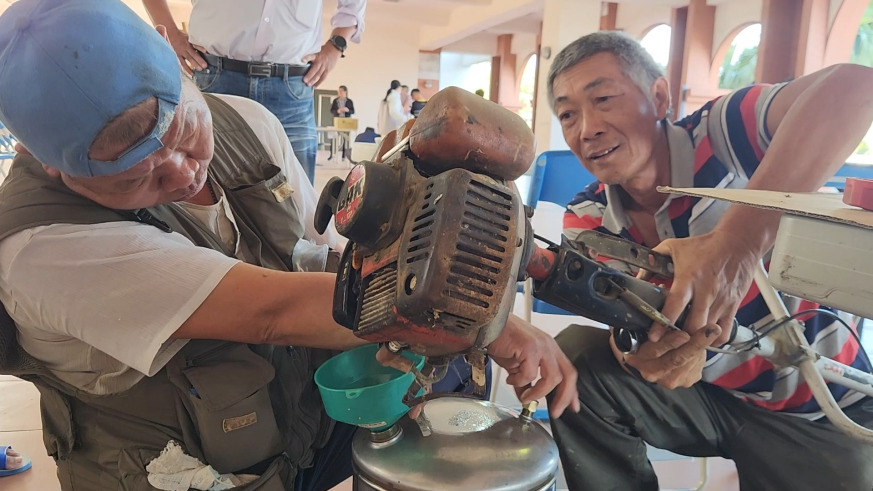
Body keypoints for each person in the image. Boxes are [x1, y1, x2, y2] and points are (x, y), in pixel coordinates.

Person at [0, 2, 579, 490]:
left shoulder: (246, 122)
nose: (182, 173)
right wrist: (483, 323)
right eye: (136, 176)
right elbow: (275, 310)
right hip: (190, 469)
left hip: (295, 425)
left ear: (181, 65)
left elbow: (327, 257)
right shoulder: (43, 248)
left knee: (452, 384)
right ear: (44, 163)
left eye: (185, 131)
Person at [543, 31, 873, 491]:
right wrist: (644, 356)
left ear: (659, 97)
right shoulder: (587, 217)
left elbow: (855, 87)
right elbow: (624, 328)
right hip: (708, 398)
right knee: (579, 357)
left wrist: (735, 243)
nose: (586, 129)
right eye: (567, 114)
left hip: (819, 405)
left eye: (603, 99)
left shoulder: (722, 133)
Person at [141, 0, 366, 185]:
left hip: (293, 89)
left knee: (297, 198)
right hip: (216, 79)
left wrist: (337, 45)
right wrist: (170, 32)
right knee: (202, 191)